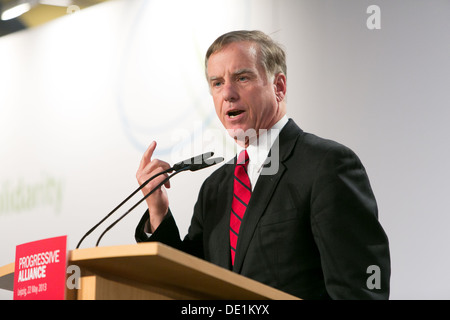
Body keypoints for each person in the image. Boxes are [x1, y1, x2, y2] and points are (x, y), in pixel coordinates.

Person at [134, 30, 391, 299]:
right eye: (217, 83)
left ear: (278, 87)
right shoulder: (215, 187)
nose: (228, 94)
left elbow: (359, 290)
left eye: (242, 78)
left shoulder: (326, 165)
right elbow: (187, 278)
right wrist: (158, 211)